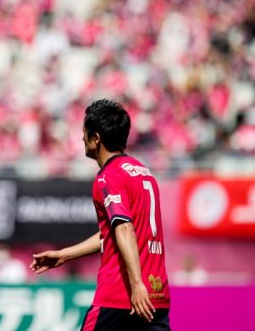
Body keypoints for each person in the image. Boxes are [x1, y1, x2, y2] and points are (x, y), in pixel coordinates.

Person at [30, 99, 170, 331]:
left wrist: (135, 284)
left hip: (121, 296)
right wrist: (65, 255)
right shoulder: (144, 174)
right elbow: (116, 232)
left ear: (96, 138)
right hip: (156, 294)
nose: (81, 139)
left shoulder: (109, 177)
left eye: (84, 133)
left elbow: (124, 229)